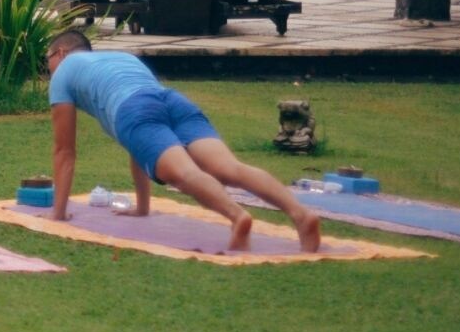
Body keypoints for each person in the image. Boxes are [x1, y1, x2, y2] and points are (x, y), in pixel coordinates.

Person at [44, 30, 320, 252]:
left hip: (135, 111)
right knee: (230, 168)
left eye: (48, 61)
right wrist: (142, 208)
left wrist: (58, 214)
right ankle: (300, 214)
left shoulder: (64, 71)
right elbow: (138, 147)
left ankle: (237, 217)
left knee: (184, 173)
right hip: (172, 100)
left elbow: (64, 151)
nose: (49, 70)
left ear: (61, 53)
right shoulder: (120, 59)